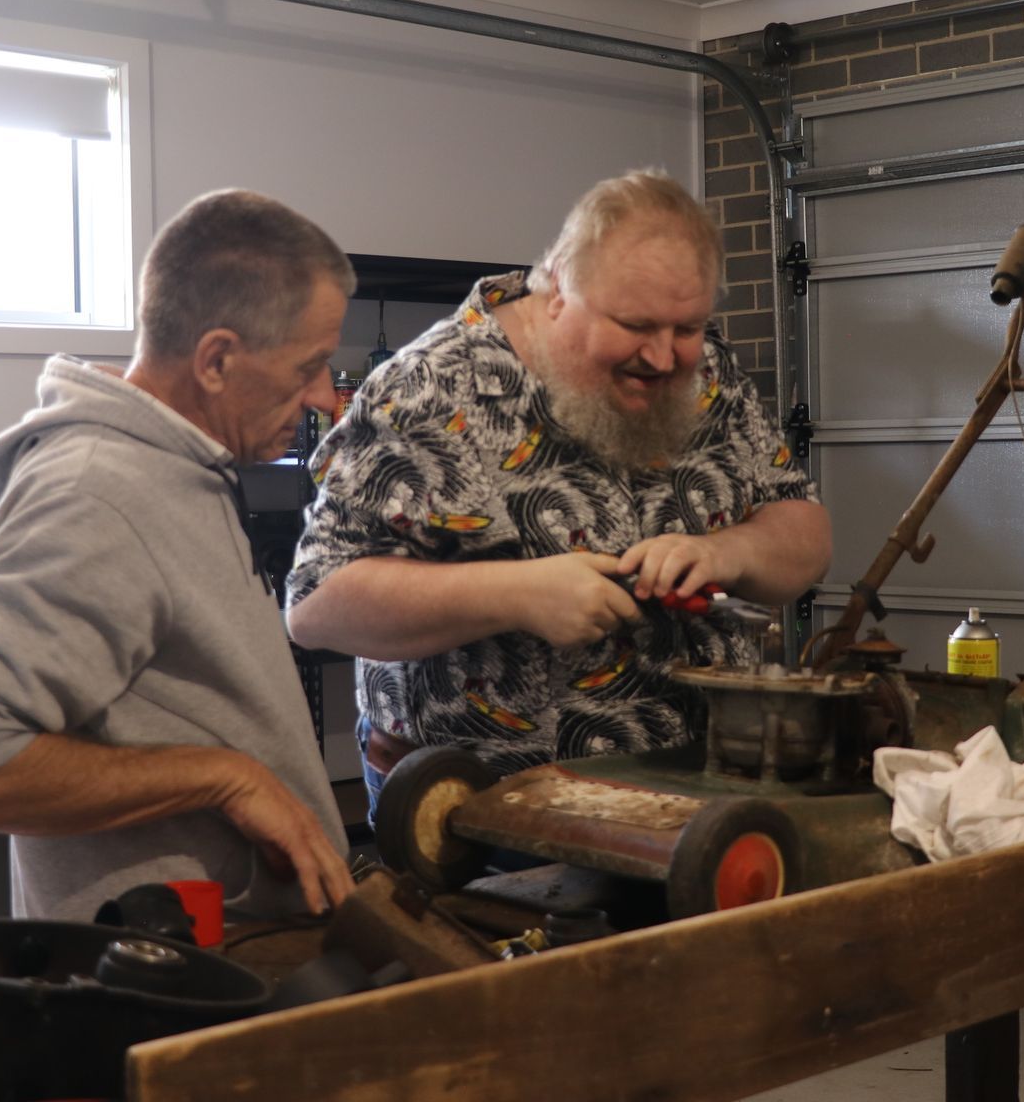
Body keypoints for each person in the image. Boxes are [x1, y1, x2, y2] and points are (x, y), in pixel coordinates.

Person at [289, 170, 830, 816]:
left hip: (700, 793)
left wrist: (727, 553)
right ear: (555, 295)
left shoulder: (708, 372)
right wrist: (517, 595)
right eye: (635, 325)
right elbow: (316, 606)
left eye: (685, 328)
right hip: (483, 815)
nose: (664, 358)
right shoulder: (429, 390)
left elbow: (806, 532)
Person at [0, 189, 356, 922]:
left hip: (230, 969)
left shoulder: (182, 464)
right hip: (153, 992)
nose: (324, 399)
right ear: (216, 361)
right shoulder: (96, 492)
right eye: (307, 368)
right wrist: (226, 779)